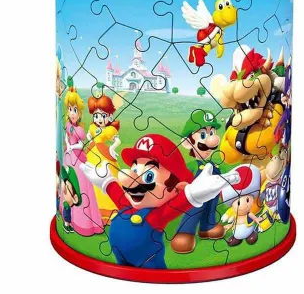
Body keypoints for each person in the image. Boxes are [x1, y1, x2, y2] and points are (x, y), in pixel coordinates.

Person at [81, 134, 240, 269]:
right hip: (120, 264)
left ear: (176, 189)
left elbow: (180, 203)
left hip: (149, 266)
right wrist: (106, 182)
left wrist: (194, 193)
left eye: (149, 176)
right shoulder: (128, 206)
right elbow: (118, 195)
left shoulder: (157, 216)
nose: (129, 178)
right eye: (134, 169)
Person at [171, 110, 225, 253]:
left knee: (211, 205)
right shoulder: (193, 165)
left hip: (212, 191)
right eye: (203, 135)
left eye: (212, 133)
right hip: (195, 196)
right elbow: (181, 178)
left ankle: (208, 226)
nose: (211, 139)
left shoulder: (214, 165)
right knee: (195, 209)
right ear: (188, 142)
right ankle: (185, 231)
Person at [64, 77, 104, 235]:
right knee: (69, 186)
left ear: (79, 113)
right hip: (69, 157)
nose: (72, 113)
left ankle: (85, 223)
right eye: (70, 109)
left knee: (82, 188)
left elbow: (81, 145)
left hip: (78, 158)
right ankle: (69, 219)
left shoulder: (80, 130)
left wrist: (71, 146)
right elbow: (67, 135)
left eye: (74, 110)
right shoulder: (68, 124)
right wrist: (67, 144)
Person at [86, 95, 121, 224]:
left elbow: (117, 140)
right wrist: (90, 140)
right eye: (96, 115)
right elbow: (89, 135)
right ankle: (91, 210)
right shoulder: (92, 127)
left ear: (110, 116)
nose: (99, 119)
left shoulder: (110, 129)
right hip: (92, 153)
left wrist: (112, 148)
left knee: (108, 178)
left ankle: (109, 211)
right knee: (88, 178)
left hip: (104, 154)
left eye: (103, 115)